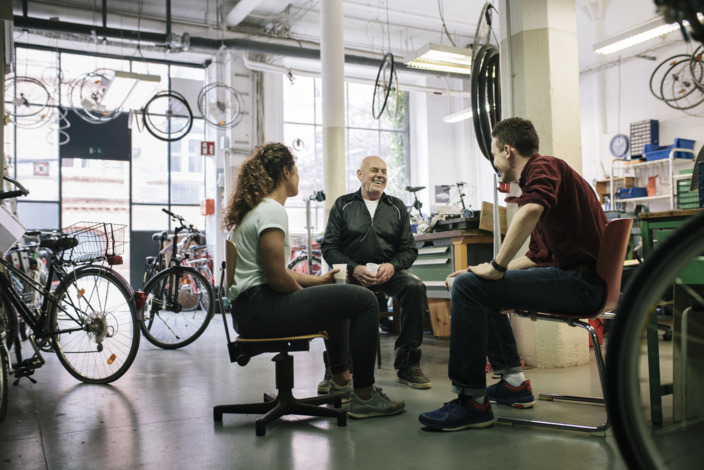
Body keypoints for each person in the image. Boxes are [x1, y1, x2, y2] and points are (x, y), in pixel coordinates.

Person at [419, 117, 607, 431]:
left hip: (581, 284)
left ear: (507, 150)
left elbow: (530, 210)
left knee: (468, 287)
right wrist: (482, 271)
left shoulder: (543, 166)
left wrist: (496, 267)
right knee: (473, 285)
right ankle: (513, 383)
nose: (494, 162)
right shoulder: (549, 178)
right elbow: (536, 256)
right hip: (579, 280)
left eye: (493, 154)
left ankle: (471, 401)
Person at [223, 143, 405, 419]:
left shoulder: (257, 209)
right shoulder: (272, 211)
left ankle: (341, 380)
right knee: (365, 301)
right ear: (285, 172)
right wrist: (305, 300)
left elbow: (274, 270)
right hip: (261, 309)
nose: (299, 179)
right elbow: (277, 278)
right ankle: (365, 395)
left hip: (250, 310)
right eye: (296, 172)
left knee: (337, 294)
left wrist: (319, 284)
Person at [321, 155, 431, 389]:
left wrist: (392, 266)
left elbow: (409, 250)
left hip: (387, 272)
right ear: (360, 175)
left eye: (384, 171)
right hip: (352, 273)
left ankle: (407, 364)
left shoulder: (397, 207)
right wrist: (353, 268)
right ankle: (336, 366)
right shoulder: (343, 205)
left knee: (415, 288)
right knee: (334, 294)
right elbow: (329, 247)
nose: (380, 175)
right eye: (374, 170)